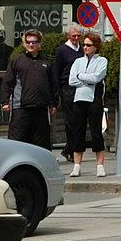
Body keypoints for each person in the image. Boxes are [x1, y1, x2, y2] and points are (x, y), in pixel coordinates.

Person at [0, 29, 58, 150]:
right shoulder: (17, 61)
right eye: (28, 42)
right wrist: (5, 101)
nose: (31, 44)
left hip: (41, 108)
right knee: (17, 142)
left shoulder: (46, 62)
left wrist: (54, 104)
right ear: (24, 44)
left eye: (34, 42)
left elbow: (53, 84)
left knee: (42, 143)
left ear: (40, 44)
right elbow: (7, 82)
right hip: (21, 108)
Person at [65, 33, 109, 177]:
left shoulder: (102, 61)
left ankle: (100, 165)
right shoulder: (78, 62)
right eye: (84, 44)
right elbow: (71, 80)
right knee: (78, 131)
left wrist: (81, 76)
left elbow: (97, 77)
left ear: (95, 47)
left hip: (95, 99)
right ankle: (77, 165)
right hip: (79, 99)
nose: (85, 47)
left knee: (96, 131)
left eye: (88, 45)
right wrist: (87, 79)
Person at [52, 30, 83, 162]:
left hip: (81, 87)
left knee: (79, 119)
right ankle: (71, 150)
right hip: (67, 88)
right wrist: (57, 91)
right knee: (71, 120)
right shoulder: (62, 50)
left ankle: (70, 149)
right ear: (68, 36)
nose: (76, 38)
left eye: (78, 36)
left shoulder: (81, 49)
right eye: (73, 36)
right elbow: (57, 70)